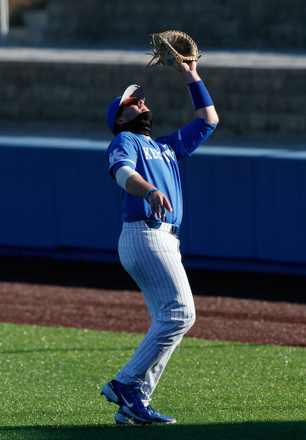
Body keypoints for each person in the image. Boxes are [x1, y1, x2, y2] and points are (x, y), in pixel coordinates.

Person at [101, 60, 219, 425]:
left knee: (168, 320)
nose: (141, 102)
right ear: (119, 119)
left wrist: (190, 73)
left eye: (140, 99)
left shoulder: (166, 147)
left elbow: (209, 120)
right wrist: (149, 189)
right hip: (145, 233)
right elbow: (121, 172)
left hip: (162, 239)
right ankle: (124, 383)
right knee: (182, 314)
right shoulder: (126, 139)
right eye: (131, 102)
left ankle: (134, 404)